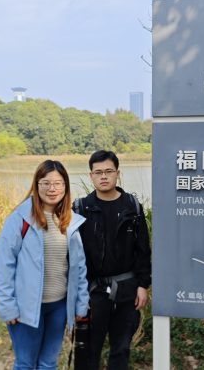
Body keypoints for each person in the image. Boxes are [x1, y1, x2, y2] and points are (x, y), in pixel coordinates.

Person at [0, 160, 89, 370]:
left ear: (66, 187)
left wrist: (81, 303)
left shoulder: (70, 221)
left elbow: (79, 268)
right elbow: (3, 265)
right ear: (36, 185)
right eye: (45, 183)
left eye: (58, 183)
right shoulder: (21, 218)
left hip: (59, 307)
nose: (52, 189)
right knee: (26, 363)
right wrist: (7, 305)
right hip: (26, 308)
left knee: (48, 363)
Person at [74, 150, 151, 369]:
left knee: (121, 349)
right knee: (88, 350)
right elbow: (73, 258)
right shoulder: (80, 209)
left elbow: (143, 249)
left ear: (118, 173)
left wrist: (143, 285)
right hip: (92, 292)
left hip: (127, 289)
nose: (104, 176)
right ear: (91, 176)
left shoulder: (132, 206)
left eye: (109, 171)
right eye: (98, 172)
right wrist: (78, 293)